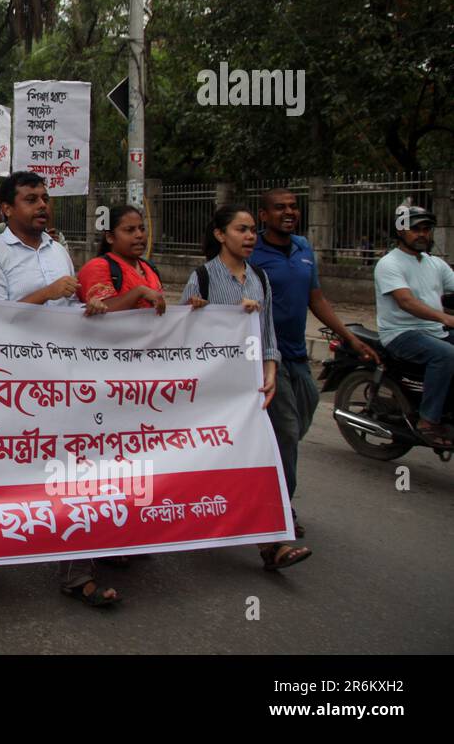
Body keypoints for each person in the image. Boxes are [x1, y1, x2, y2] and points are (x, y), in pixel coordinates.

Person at [0, 171, 122, 607]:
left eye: (45, 198)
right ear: (7, 209)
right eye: (31, 199)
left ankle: (79, 569)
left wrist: (84, 307)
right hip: (9, 386)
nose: (42, 206)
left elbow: (67, 307)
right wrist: (48, 291)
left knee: (73, 473)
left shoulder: (59, 251)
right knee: (2, 474)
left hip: (63, 380)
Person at [180, 204, 310, 571]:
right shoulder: (202, 277)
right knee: (215, 456)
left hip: (253, 383)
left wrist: (270, 370)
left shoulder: (260, 279)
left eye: (253, 229)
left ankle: (274, 532)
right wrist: (201, 311)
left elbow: (267, 332)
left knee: (269, 448)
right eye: (241, 229)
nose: (250, 236)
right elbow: (181, 334)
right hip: (214, 388)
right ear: (221, 235)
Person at [251, 188, 380, 536]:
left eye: (293, 207)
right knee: (288, 433)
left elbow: (316, 299)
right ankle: (280, 509)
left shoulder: (304, 248)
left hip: (298, 358)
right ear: (264, 216)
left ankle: (262, 484)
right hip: (265, 360)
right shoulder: (252, 252)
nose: (288, 212)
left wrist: (351, 339)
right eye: (279, 208)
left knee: (299, 427)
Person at [373, 206, 454, 448]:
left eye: (426, 229)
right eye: (415, 229)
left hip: (432, 331)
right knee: (447, 355)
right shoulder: (389, 264)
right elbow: (406, 301)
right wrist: (444, 318)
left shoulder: (434, 263)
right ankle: (428, 421)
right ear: (400, 231)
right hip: (401, 333)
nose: (422, 234)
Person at [76, 205, 166, 314]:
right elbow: (101, 312)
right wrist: (139, 292)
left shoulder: (150, 268)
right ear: (110, 237)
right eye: (130, 230)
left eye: (142, 229)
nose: (139, 235)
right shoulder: (97, 268)